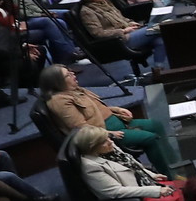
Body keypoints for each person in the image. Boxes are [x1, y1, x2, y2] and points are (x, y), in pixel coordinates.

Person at [39, 64, 170, 160]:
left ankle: (172, 162)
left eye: (71, 72)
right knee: (151, 138)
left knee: (156, 125)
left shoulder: (75, 89)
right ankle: (169, 175)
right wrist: (108, 133)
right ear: (57, 82)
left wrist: (117, 109)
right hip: (105, 135)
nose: (74, 75)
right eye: (68, 75)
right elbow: (79, 128)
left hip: (119, 122)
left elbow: (96, 107)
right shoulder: (60, 101)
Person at [71, 126, 182, 201]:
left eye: (108, 138)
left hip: (148, 183)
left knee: (189, 185)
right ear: (92, 147)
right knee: (189, 197)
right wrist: (157, 190)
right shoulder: (90, 166)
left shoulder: (108, 148)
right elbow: (116, 192)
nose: (111, 142)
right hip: (139, 197)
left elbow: (131, 164)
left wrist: (150, 174)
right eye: (104, 141)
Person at [77, 0, 166, 68]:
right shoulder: (87, 12)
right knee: (159, 28)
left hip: (130, 33)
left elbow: (121, 18)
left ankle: (158, 71)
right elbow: (98, 33)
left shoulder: (105, 2)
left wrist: (130, 23)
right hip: (118, 41)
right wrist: (123, 31)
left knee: (159, 40)